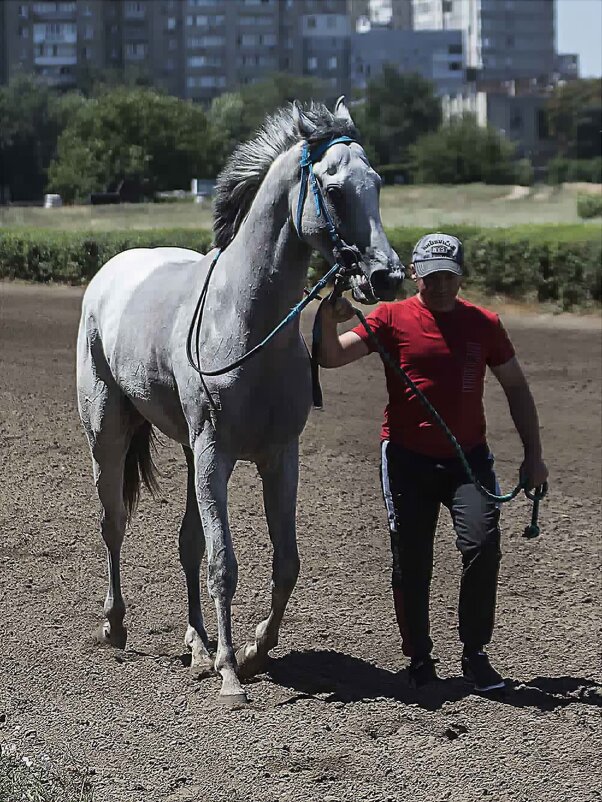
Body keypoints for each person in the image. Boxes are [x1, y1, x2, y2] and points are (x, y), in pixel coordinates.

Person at [317, 232, 548, 692]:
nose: (441, 285)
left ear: (460, 277)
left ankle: (475, 653)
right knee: (412, 559)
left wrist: (534, 456)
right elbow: (330, 356)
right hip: (406, 460)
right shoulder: (389, 318)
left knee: (482, 545)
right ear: (414, 274)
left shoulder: (484, 324)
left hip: (469, 461)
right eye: (432, 275)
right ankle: (419, 656)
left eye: (449, 276)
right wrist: (327, 315)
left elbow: (516, 388)